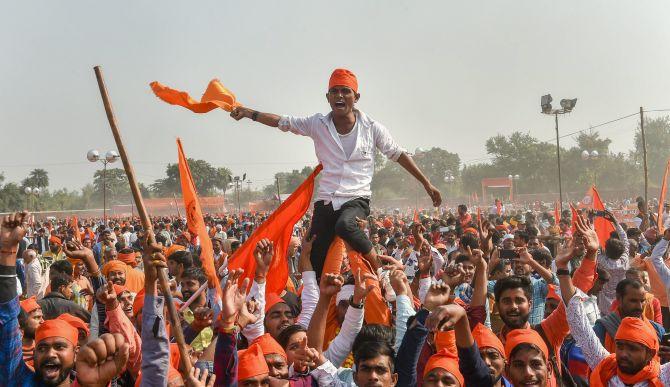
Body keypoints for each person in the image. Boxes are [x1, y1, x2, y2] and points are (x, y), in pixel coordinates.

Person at [230, 68, 442, 278]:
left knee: (345, 225)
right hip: (326, 200)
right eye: (335, 91)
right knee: (314, 256)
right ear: (328, 97)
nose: (340, 96)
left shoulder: (372, 128)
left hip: (356, 199)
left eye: (345, 91)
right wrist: (249, 113)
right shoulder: (317, 124)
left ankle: (379, 271)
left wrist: (427, 183)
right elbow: (282, 122)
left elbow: (397, 154)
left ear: (356, 97)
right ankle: (314, 301)